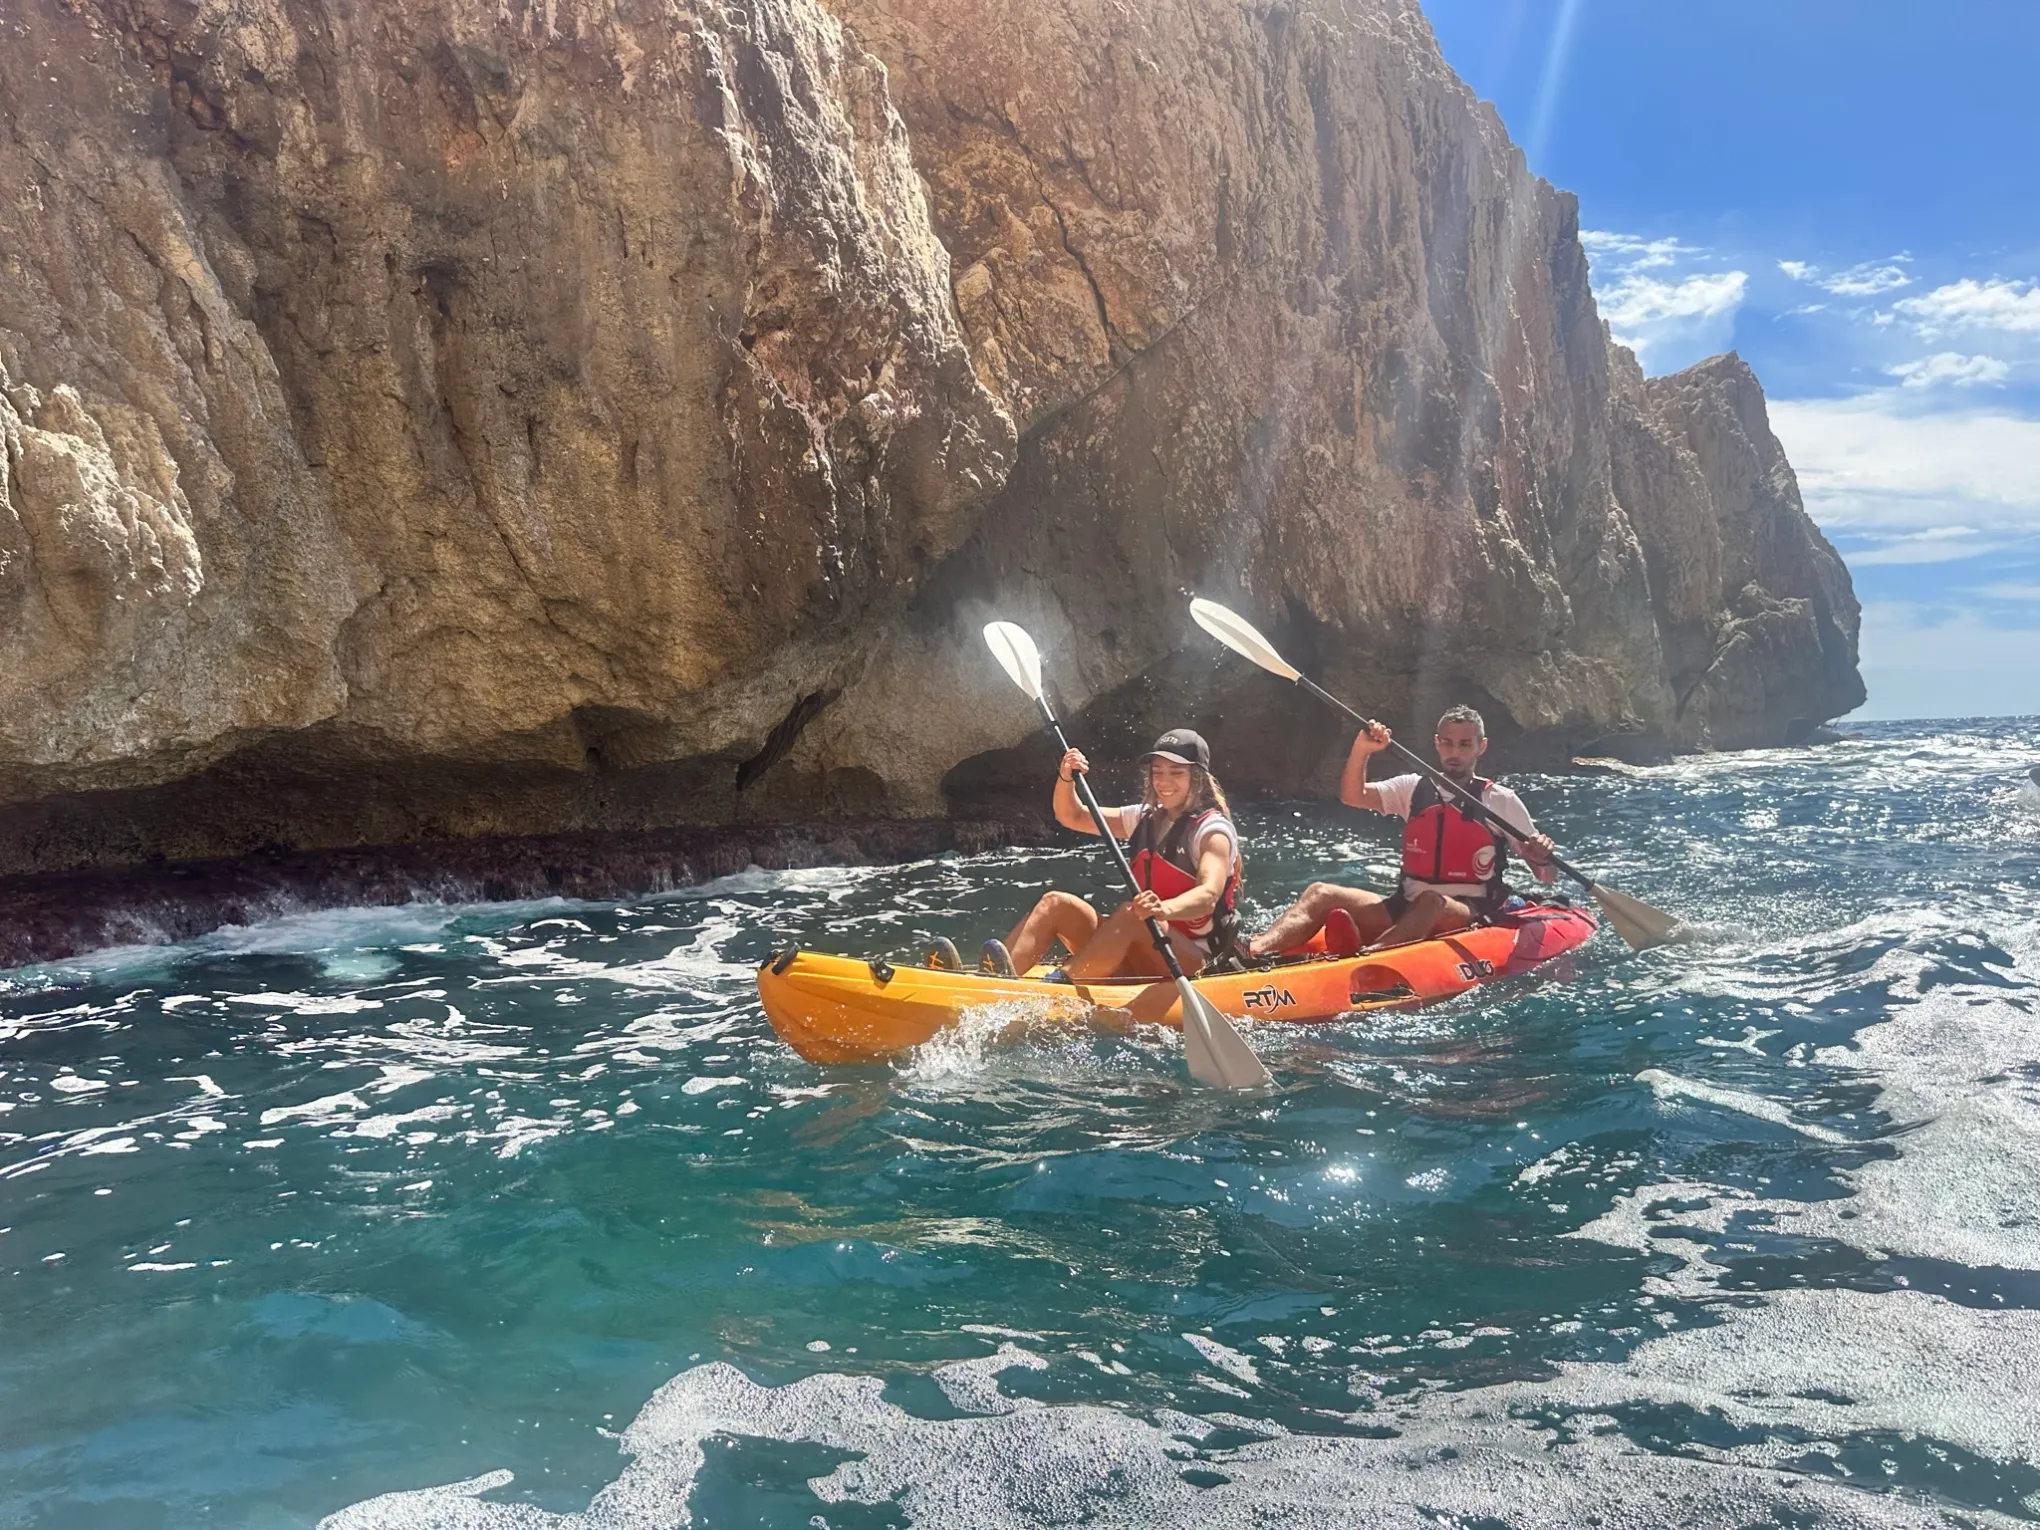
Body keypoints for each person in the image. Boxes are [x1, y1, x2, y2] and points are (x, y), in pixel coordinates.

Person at [1246, 706, 1556, 957]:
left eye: (1465, 745)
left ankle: (1368, 956)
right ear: (1436, 743)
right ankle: (1252, 950)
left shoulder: (1500, 801)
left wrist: (1540, 859)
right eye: (1447, 743)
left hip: (1466, 911)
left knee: (1432, 901)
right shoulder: (1412, 788)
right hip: (1403, 906)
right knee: (1320, 892)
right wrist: (1362, 749)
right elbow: (1352, 795)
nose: (1454, 752)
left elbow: (1545, 876)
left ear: (1481, 747)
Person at [992, 728, 1244, 980]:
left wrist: (1162, 910)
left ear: (1197, 777)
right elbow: (1072, 816)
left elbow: (1208, 895)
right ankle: (994, 979)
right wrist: (1066, 777)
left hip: (1196, 961)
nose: (1164, 781)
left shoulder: (1213, 831)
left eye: (1176, 773)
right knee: (1056, 903)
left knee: (1133, 915)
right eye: (1157, 772)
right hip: (1148, 945)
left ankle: (1058, 988)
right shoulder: (1143, 818)